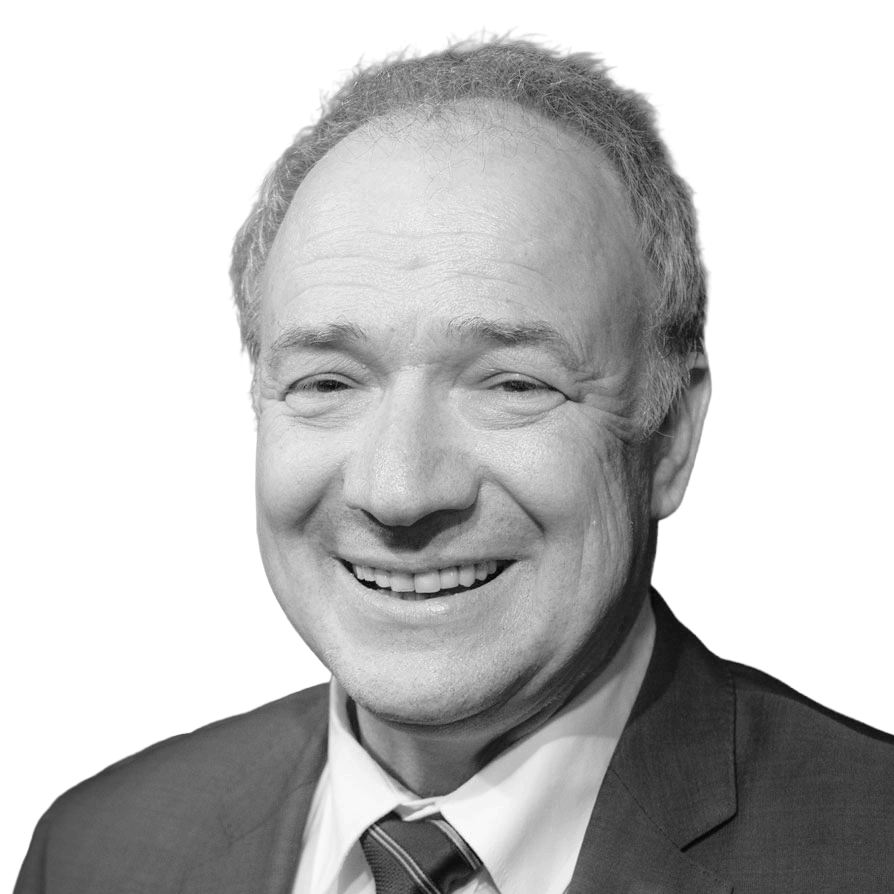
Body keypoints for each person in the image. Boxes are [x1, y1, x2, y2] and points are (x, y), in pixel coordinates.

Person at [15, 31, 892, 894]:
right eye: (328, 382)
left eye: (512, 384)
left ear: (671, 435)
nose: (399, 491)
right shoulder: (97, 850)